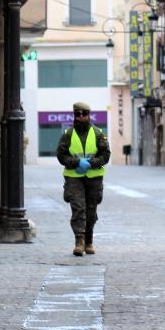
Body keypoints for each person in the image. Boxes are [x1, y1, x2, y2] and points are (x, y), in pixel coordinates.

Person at [55, 101, 110, 257]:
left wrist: (91, 164)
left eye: (84, 114)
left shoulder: (98, 133)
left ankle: (89, 241)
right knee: (78, 208)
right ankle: (79, 242)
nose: (81, 117)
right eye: (78, 114)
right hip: (74, 177)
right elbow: (61, 155)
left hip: (94, 177)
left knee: (91, 210)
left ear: (89, 115)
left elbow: (106, 155)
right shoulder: (68, 134)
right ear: (74, 115)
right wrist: (76, 162)